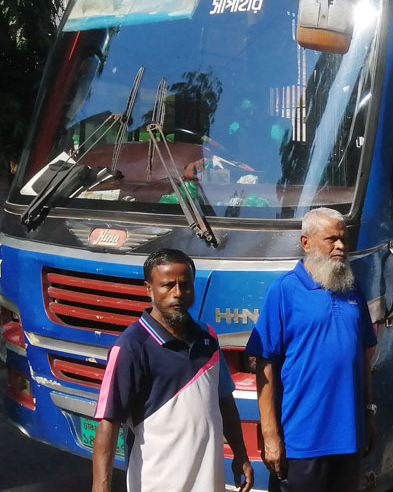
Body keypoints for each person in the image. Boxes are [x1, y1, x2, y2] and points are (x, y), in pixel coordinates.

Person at [92, 249, 253, 492]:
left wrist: (240, 453)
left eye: (185, 285)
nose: (178, 294)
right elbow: (108, 421)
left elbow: (224, 400)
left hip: (208, 481)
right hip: (157, 482)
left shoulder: (207, 337)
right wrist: (100, 485)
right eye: (167, 286)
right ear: (149, 289)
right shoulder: (131, 347)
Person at [246, 209, 377, 492]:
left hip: (349, 439)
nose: (340, 246)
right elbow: (264, 367)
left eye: (343, 239)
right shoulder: (284, 290)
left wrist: (368, 413)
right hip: (302, 442)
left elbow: (363, 359)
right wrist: (270, 437)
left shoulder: (352, 290)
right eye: (331, 239)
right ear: (306, 242)